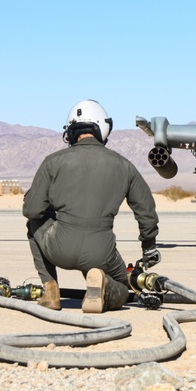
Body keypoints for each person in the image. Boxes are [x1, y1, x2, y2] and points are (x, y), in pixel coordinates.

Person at [22, 99, 161, 312]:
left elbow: (32, 211)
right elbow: (146, 211)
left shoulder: (53, 161)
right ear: (103, 127)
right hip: (101, 252)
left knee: (34, 224)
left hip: (59, 247)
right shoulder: (124, 165)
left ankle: (50, 289)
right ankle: (104, 286)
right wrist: (148, 246)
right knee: (123, 287)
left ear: (70, 131)